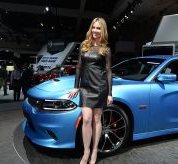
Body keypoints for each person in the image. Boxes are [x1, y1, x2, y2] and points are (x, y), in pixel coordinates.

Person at [68, 17, 113, 164]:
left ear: (103, 30)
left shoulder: (106, 49)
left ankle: (94, 152)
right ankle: (86, 151)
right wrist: (76, 86)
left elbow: (108, 71)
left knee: (96, 119)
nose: (95, 30)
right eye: (93, 27)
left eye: (98, 28)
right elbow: (79, 67)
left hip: (100, 87)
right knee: (86, 119)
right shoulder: (84, 45)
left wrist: (110, 93)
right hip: (86, 88)